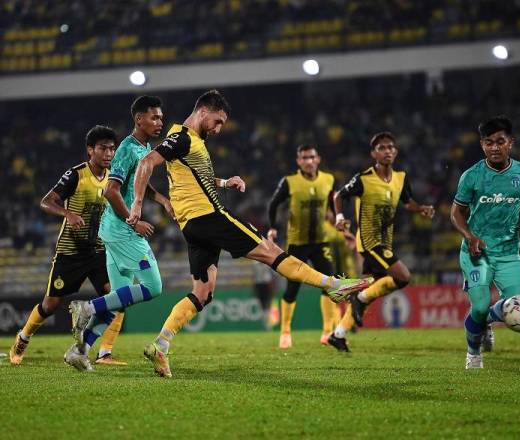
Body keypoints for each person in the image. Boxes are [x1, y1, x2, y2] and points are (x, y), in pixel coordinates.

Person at [127, 89, 372, 378]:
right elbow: (146, 163)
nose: (218, 129)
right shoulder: (182, 138)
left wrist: (224, 181)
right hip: (209, 217)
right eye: (217, 122)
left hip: (191, 225)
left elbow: (189, 175)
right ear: (204, 111)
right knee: (272, 252)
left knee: (203, 293)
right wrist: (137, 206)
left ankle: (160, 344)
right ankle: (332, 284)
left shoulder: (185, 140)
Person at [66, 96, 173, 371]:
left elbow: (136, 182)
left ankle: (80, 351)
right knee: (153, 287)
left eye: (161, 118)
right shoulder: (126, 149)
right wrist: (133, 221)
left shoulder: (144, 147)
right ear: (139, 119)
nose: (159, 122)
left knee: (119, 298)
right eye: (154, 117)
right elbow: (111, 190)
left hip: (112, 230)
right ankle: (87, 307)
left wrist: (160, 198)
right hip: (122, 229)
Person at [450, 115, 520, 369]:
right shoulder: (472, 176)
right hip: (476, 252)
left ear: (511, 142)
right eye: (489, 143)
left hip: (509, 253)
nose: (495, 147)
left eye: (500, 141)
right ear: (482, 145)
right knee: (478, 307)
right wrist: (469, 236)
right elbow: (455, 213)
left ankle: (486, 321)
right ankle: (473, 352)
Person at [9, 126, 120, 365]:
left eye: (112, 148)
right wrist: (67, 213)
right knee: (51, 304)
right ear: (90, 150)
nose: (109, 153)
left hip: (99, 251)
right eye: (103, 148)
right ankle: (23, 337)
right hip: (70, 252)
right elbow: (46, 202)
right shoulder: (76, 175)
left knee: (117, 297)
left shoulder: (114, 176)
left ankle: (105, 353)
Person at [329, 131, 435, 352]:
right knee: (403, 277)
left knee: (370, 287)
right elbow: (339, 195)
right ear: (373, 153)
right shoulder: (364, 178)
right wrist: (339, 217)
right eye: (382, 148)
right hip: (369, 241)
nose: (387, 151)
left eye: (390, 148)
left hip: (385, 242)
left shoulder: (400, 178)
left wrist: (421, 208)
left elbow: (407, 203)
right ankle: (357, 298)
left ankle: (338, 334)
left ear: (395, 152)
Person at [267, 144, 339, 348]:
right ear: (298, 161)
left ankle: (327, 332)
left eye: (311, 157)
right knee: (292, 289)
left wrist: (338, 217)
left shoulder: (329, 179)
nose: (308, 161)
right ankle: (285, 332)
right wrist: (273, 227)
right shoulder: (290, 182)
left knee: (330, 284)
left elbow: (333, 201)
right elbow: (273, 204)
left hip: (320, 241)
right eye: (304, 158)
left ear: (318, 159)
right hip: (297, 243)